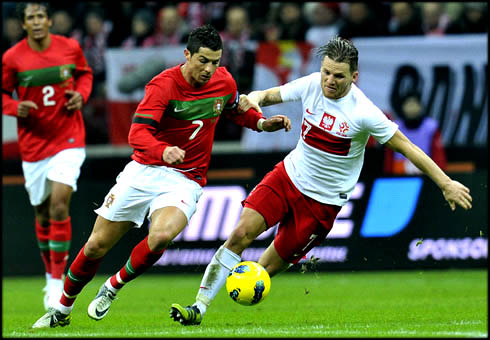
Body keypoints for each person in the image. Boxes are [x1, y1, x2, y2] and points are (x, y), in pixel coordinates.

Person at [169, 36, 473, 326]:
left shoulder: (364, 113)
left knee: (261, 272)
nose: (329, 80)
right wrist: (256, 98)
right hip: (288, 177)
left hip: (321, 204)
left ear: (354, 76)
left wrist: (445, 183)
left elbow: (408, 147)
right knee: (240, 233)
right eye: (326, 72)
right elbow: (272, 94)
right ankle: (199, 306)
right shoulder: (312, 85)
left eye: (338, 76)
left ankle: (240, 288)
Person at [31, 24, 291, 329]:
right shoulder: (163, 85)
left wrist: (262, 124)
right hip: (144, 170)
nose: (209, 69)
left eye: (215, 62)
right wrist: (162, 149)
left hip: (185, 178)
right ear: (187, 55)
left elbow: (234, 109)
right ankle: (61, 309)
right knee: (95, 247)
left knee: (161, 236)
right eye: (203, 60)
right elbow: (137, 132)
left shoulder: (224, 82)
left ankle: (113, 286)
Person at [2, 2, 93, 311]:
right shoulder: (12, 58)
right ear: (24, 24)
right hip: (33, 145)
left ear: (50, 20)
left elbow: (85, 75)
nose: (37, 21)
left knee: (58, 203)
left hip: (68, 139)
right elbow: (2, 94)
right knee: (42, 213)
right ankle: (49, 275)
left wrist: (82, 94)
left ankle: (57, 283)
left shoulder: (70, 48)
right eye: (31, 17)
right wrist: (15, 108)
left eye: (41, 15)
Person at [383, 90, 447, 175]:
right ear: (402, 107)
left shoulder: (431, 127)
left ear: (420, 106)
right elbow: (388, 160)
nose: (411, 108)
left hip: (426, 177)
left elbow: (439, 158)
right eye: (408, 104)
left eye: (414, 104)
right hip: (398, 178)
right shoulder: (394, 128)